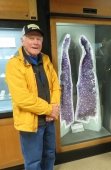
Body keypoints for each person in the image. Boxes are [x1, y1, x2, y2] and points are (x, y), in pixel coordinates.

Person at [5, 24, 61, 170]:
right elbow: (22, 98)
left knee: (49, 155)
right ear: (22, 41)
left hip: (49, 121)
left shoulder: (46, 60)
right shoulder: (14, 64)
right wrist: (49, 109)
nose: (35, 42)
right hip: (30, 123)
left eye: (38, 38)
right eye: (31, 38)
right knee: (33, 162)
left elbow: (56, 86)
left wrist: (53, 107)